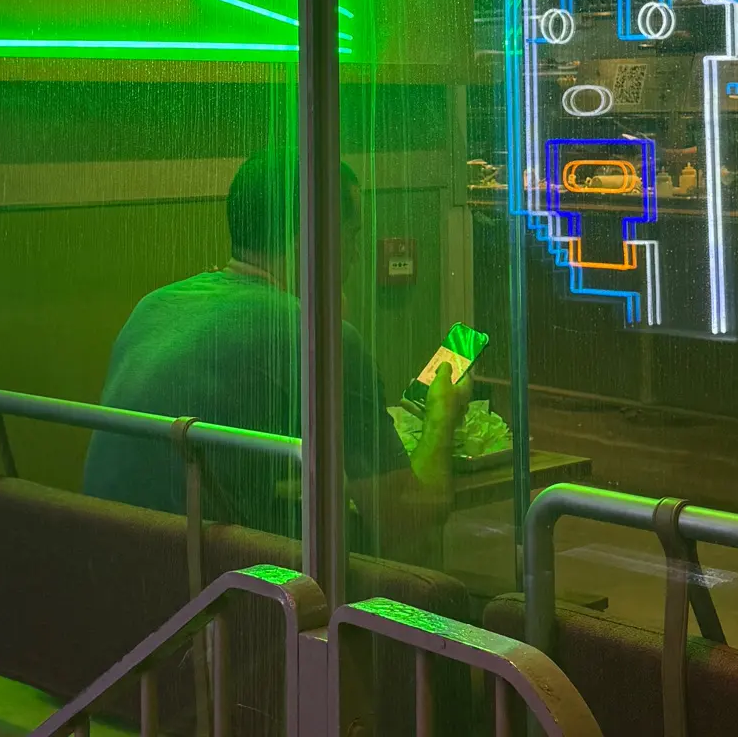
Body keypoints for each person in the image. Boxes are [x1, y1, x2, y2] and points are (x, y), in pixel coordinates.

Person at [83, 151, 469, 562]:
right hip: (197, 588)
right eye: (352, 236)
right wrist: (441, 417)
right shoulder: (317, 336)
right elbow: (404, 523)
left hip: (100, 565)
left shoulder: (154, 306)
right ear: (313, 237)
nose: (356, 255)